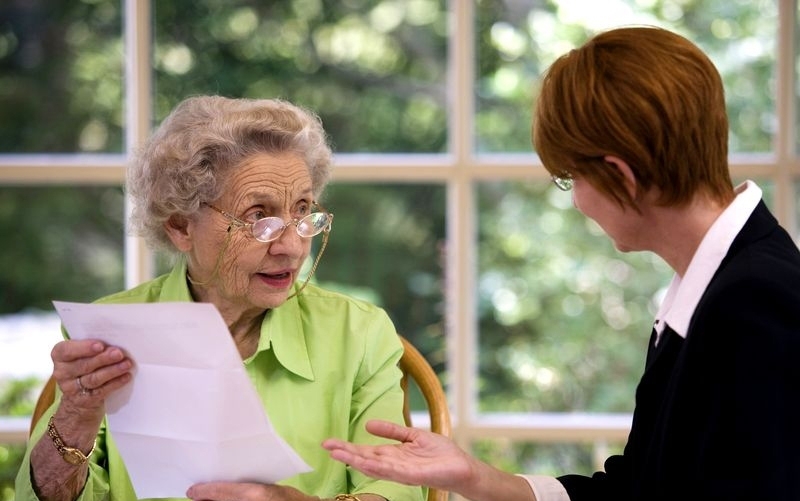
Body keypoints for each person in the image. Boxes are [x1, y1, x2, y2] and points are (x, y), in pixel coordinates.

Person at [323, 25, 800, 501]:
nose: (578, 203)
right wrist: (474, 476)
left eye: (572, 178)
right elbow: (638, 490)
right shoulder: (717, 287)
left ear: (620, 175)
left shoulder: (754, 300)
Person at [16, 95, 424, 501]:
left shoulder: (359, 333)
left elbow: (397, 489)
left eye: (302, 212)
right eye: (259, 217)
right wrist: (76, 416)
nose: (293, 247)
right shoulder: (110, 331)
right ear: (180, 227)